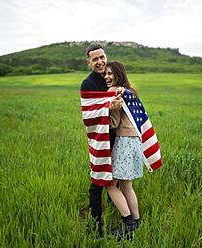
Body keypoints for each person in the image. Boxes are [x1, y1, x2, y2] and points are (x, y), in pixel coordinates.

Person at [80, 43, 123, 237]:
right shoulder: (88, 84)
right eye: (95, 59)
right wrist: (108, 104)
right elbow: (89, 114)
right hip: (100, 136)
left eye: (102, 57)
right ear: (89, 62)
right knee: (98, 182)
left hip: (118, 135)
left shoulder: (112, 76)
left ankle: (124, 216)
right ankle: (96, 224)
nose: (100, 62)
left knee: (118, 177)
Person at [104, 61, 142, 237]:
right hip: (135, 140)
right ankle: (136, 221)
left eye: (110, 73)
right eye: (105, 74)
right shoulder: (131, 90)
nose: (107, 77)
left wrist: (106, 113)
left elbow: (114, 122)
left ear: (119, 74)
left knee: (109, 183)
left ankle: (128, 222)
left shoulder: (113, 91)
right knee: (127, 185)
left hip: (124, 140)